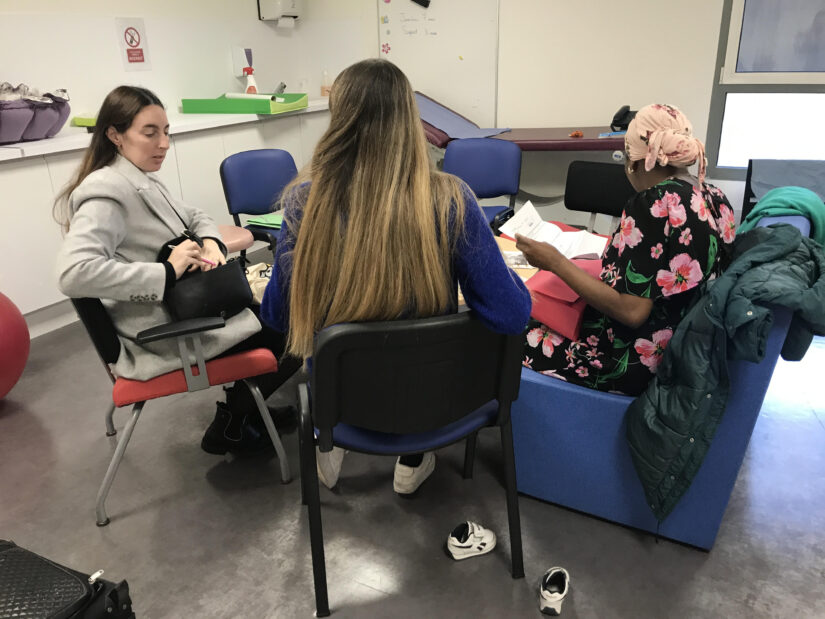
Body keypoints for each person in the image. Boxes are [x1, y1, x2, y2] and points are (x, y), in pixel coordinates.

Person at [260, 59, 532, 494]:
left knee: (338, 360)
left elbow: (276, 316)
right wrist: (500, 270)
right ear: (410, 119)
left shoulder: (304, 204)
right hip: (436, 400)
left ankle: (330, 446)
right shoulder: (451, 199)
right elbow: (511, 314)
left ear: (339, 119)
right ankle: (413, 460)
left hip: (341, 403)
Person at [55, 85, 299, 455]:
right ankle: (233, 422)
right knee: (295, 330)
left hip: (184, 311)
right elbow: (73, 273)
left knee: (278, 315)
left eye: (166, 131)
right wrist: (166, 272)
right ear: (115, 135)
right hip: (167, 332)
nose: (164, 143)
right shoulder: (107, 193)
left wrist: (211, 243)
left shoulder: (140, 177)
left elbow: (196, 215)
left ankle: (248, 411)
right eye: (150, 133)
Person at [517, 103, 735, 395]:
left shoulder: (653, 204)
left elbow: (632, 312)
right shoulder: (714, 196)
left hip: (634, 362)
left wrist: (555, 262)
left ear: (633, 162)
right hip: (687, 349)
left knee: (512, 326)